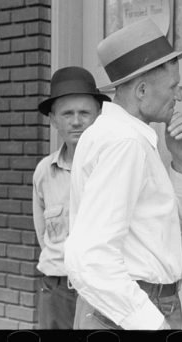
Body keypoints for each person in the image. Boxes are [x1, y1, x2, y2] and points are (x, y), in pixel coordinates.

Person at [64, 17, 182, 330]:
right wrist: (150, 322)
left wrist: (181, 164)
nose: (179, 96)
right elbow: (89, 256)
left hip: (126, 305)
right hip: (130, 309)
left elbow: (163, 231)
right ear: (140, 90)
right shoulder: (125, 143)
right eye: (173, 87)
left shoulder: (119, 136)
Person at [32, 66, 110, 329]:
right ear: (53, 120)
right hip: (56, 289)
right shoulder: (45, 171)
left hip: (102, 290)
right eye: (67, 113)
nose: (76, 121)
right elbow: (43, 235)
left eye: (84, 112)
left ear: (98, 116)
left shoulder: (112, 166)